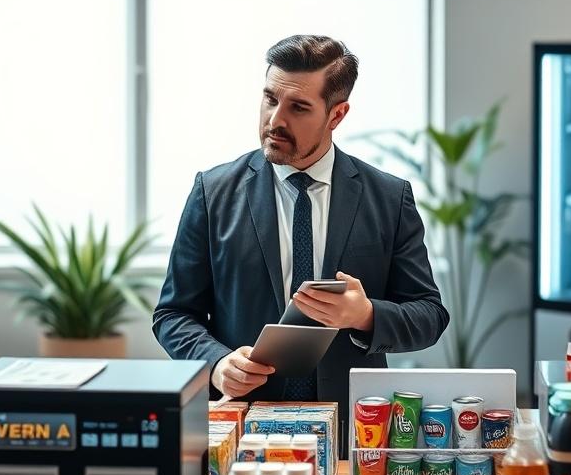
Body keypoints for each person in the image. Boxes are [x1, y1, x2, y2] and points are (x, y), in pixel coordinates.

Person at [153, 34, 448, 437]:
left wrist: (365, 316)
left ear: (337, 115)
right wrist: (217, 364)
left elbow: (429, 314)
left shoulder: (389, 198)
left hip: (353, 432)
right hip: (240, 429)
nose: (276, 120)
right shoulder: (213, 192)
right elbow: (172, 315)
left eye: (298, 107)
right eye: (270, 99)